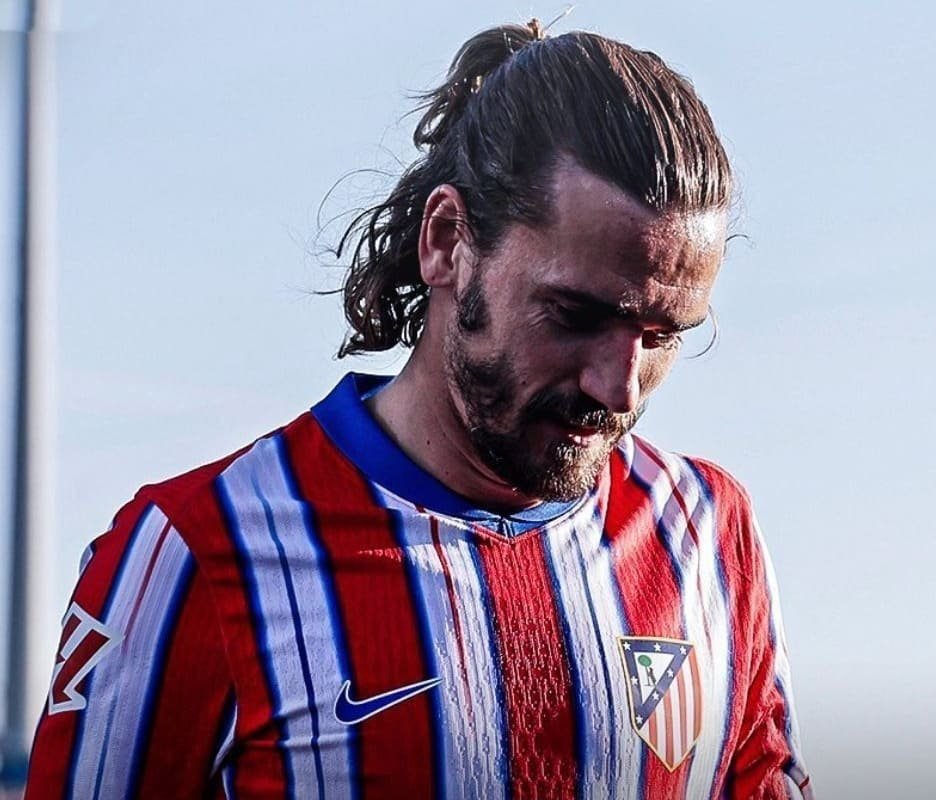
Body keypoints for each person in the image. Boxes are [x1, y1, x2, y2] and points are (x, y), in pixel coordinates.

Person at [25, 20, 813, 799]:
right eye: (574, 315)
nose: (620, 388)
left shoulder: (710, 533)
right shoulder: (192, 551)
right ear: (446, 241)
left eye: (663, 336)